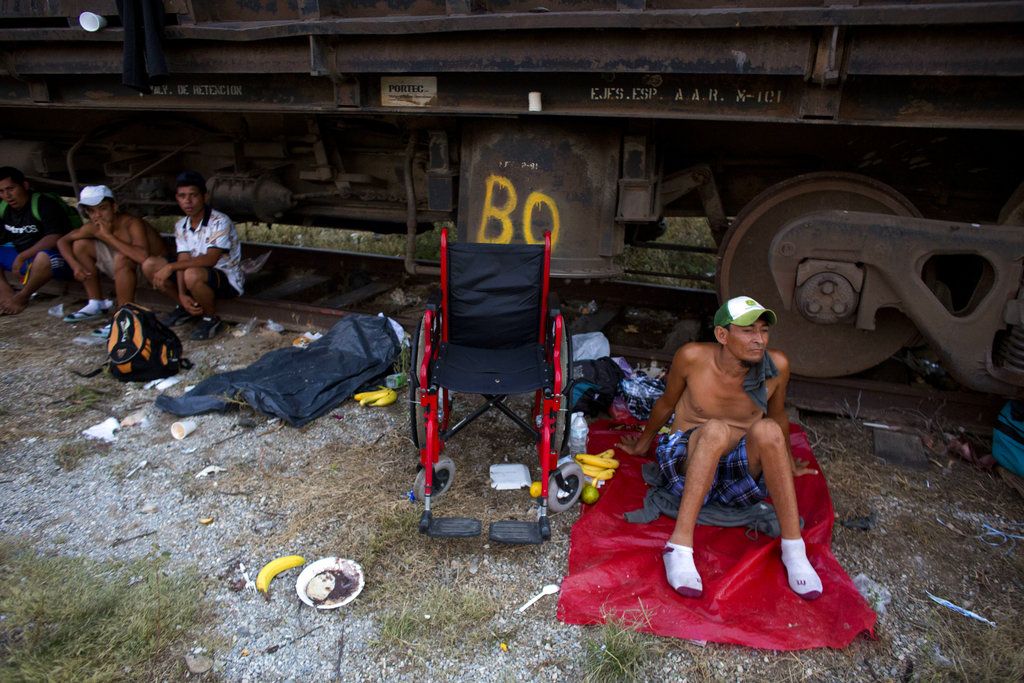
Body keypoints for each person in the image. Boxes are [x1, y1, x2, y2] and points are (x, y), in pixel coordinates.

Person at [617, 296, 823, 600]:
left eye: (763, 331)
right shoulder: (692, 357)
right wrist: (643, 443)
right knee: (715, 430)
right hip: (685, 465)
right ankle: (680, 546)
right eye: (748, 331)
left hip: (733, 476)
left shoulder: (776, 366)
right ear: (722, 335)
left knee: (765, 428)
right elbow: (666, 403)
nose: (759, 340)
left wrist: (787, 462)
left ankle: (794, 549)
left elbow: (777, 416)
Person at [145, 171, 243, 340]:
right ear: (177, 198)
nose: (188, 201)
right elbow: (183, 260)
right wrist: (182, 295)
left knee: (191, 273)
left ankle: (210, 317)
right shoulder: (181, 225)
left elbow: (210, 259)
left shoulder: (219, 221)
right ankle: (185, 306)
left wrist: (170, 267)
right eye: (182, 196)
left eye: (193, 195)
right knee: (150, 265)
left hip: (226, 278)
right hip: (196, 277)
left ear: (204, 197)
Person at [56, 185, 167, 328]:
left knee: (122, 257)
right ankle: (96, 303)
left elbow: (142, 257)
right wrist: (75, 266)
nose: (97, 215)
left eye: (103, 208)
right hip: (122, 269)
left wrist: (108, 236)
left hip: (152, 271)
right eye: (91, 211)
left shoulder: (132, 223)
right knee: (80, 245)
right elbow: (62, 241)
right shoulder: (93, 227)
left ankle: (123, 316)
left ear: (114, 207)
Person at [0, 166, 74, 314]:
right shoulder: (3, 208)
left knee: (43, 257)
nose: (7, 195)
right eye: (1, 191)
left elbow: (55, 237)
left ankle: (22, 297)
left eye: (11, 189)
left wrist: (23, 256)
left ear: (25, 186)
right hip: (24, 261)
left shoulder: (44, 204)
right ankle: (5, 293)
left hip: (55, 261)